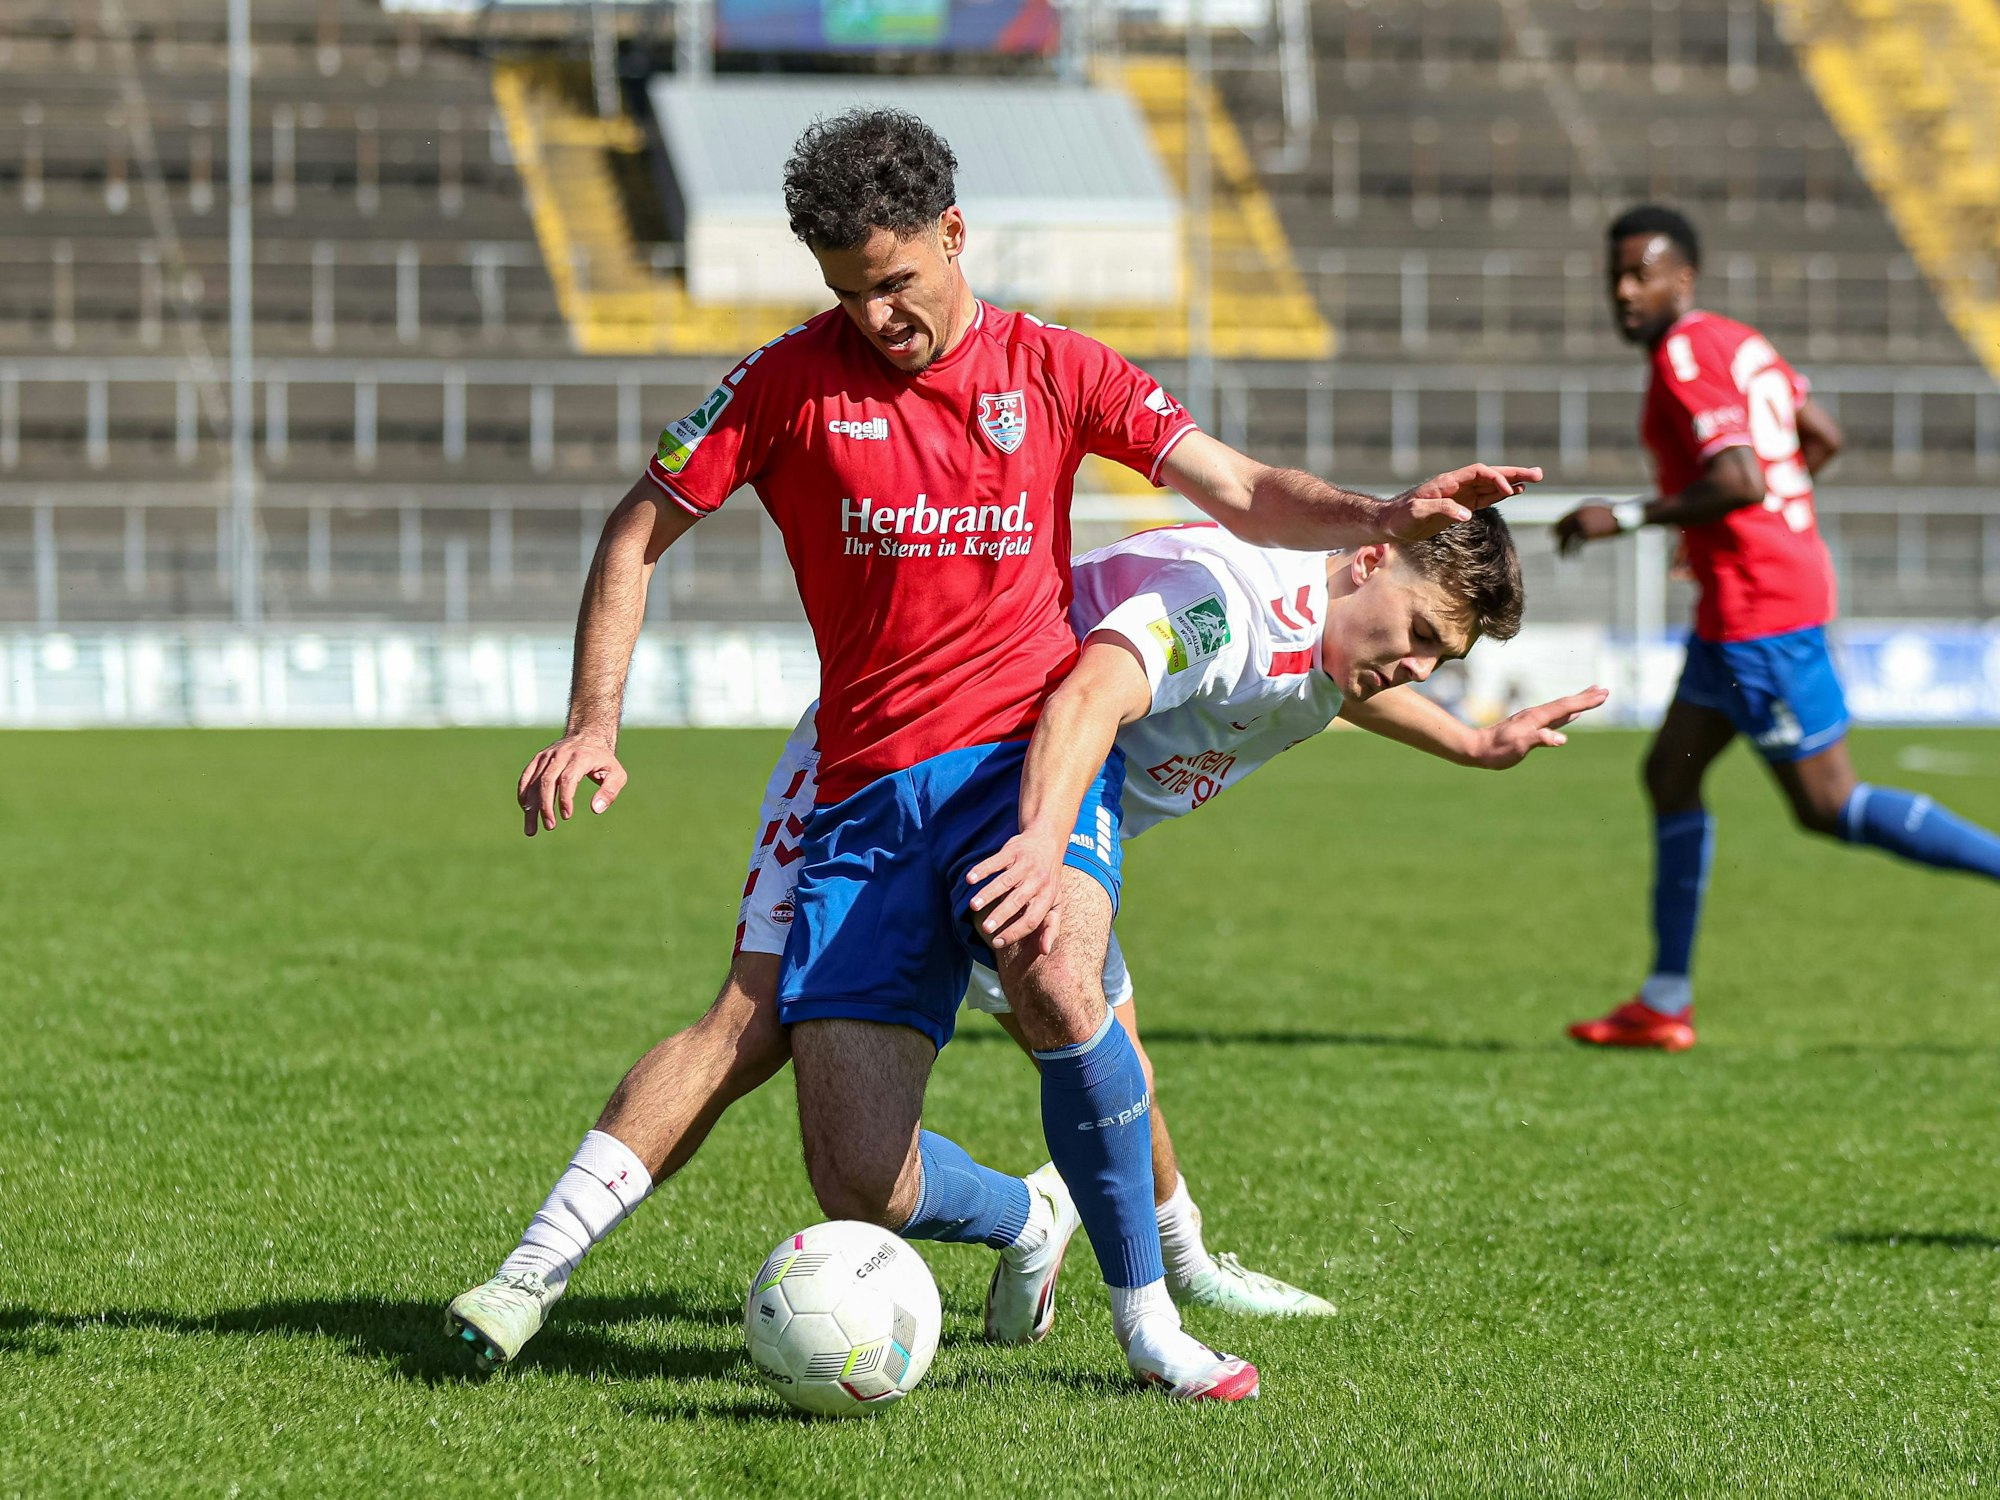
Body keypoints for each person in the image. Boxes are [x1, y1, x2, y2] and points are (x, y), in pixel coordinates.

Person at [466, 108, 1537, 1401]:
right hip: (861, 792)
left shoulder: (1057, 368)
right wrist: (596, 719)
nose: (879, 318)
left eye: (899, 283)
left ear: (955, 235)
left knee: (1056, 971)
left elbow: (1237, 486)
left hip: (1021, 764)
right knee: (857, 1176)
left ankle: (1150, 1325)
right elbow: (641, 525)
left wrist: (1377, 512)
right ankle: (1029, 1219)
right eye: (849, 292)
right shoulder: (784, 384)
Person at [450, 511, 1603, 1379]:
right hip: (919, 753)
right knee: (751, 1030)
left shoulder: (1336, 640)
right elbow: (1093, 689)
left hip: (1043, 795)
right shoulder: (1226, 603)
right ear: (1362, 561)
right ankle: (531, 1272)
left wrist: (1470, 742)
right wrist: (1045, 847)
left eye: (1434, 660)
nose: (1408, 665)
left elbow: (1335, 683)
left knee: (1090, 1024)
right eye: (1411, 636)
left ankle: (1166, 1282)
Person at [1555, 204, 2000, 1052]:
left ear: (1681, 278)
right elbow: (1819, 438)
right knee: (1669, 775)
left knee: (1829, 806)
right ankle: (1664, 1000)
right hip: (1742, 602)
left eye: (1639, 274)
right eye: (1614, 275)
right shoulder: (1734, 339)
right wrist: (1719, 533)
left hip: (1761, 614)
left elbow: (1741, 477)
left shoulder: (1686, 354)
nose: (1623, 292)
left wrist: (1629, 514)